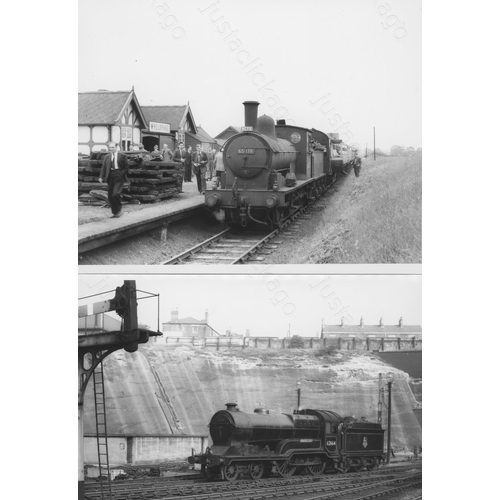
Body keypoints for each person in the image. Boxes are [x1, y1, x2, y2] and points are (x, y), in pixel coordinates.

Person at [98, 142, 129, 218]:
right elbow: (104, 167)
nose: (111, 149)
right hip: (110, 176)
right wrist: (101, 177)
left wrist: (121, 173)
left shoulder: (122, 156)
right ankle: (115, 212)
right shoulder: (107, 157)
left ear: (116, 147)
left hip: (118, 175)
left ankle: (119, 208)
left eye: (113, 147)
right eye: (110, 147)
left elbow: (126, 167)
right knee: (110, 196)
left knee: (115, 194)